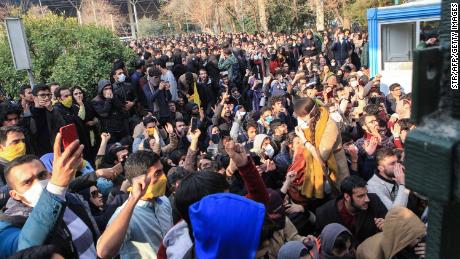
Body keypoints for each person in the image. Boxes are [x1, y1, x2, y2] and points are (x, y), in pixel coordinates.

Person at [0, 134, 99, 258]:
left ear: (50, 174)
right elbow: (23, 248)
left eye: (42, 176)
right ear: (15, 195)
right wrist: (56, 188)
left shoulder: (72, 200)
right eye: (27, 182)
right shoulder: (12, 221)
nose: (38, 184)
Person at [97, 150, 173, 258]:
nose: (164, 177)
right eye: (157, 173)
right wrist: (133, 199)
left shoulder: (164, 201)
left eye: (162, 171)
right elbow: (104, 252)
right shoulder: (125, 216)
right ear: (140, 179)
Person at [292, 97, 350, 199]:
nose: (300, 119)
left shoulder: (330, 124)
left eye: (302, 116)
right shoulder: (312, 120)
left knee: (341, 193)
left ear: (310, 113)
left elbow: (321, 156)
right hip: (321, 169)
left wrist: (303, 139)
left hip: (335, 165)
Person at [316, 175, 387, 246]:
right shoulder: (324, 213)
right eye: (360, 196)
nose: (367, 199)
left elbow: (389, 224)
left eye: (366, 193)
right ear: (347, 197)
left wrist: (386, 226)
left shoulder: (374, 201)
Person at [356, 206, 426, 259]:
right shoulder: (373, 256)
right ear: (401, 236)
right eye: (417, 237)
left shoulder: (395, 239)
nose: (420, 240)